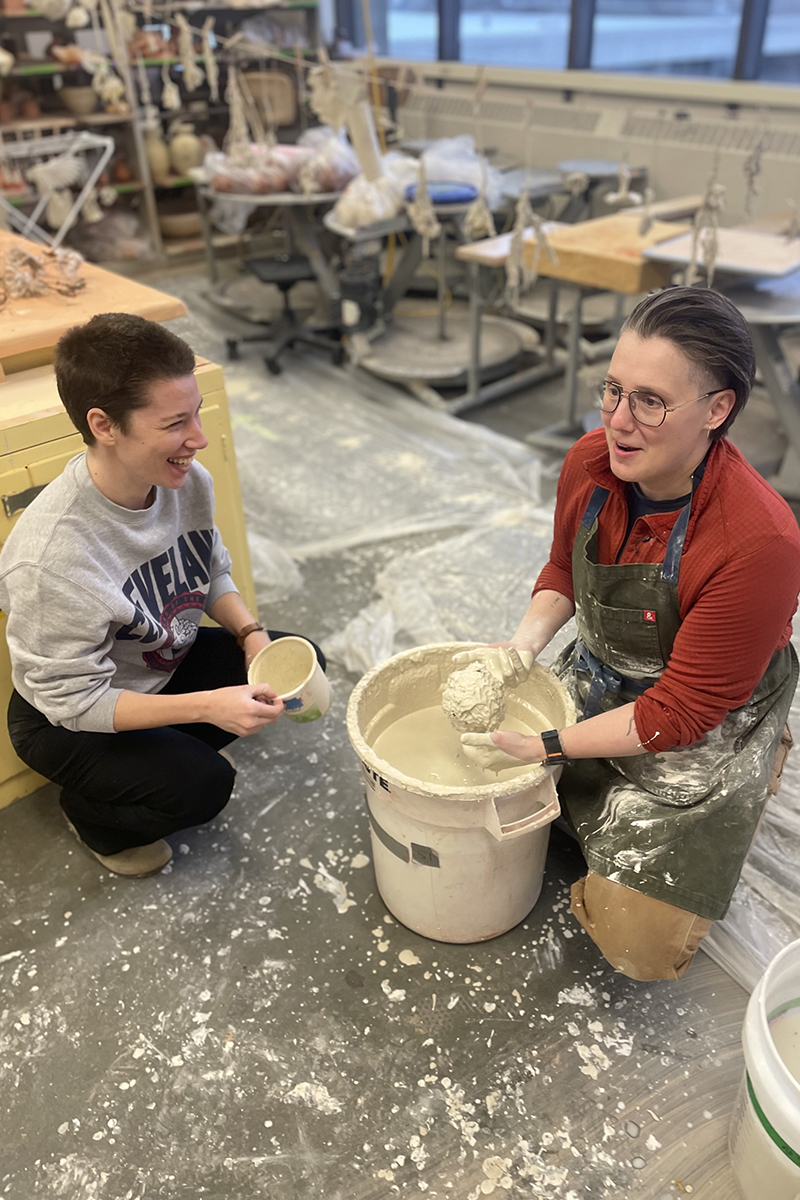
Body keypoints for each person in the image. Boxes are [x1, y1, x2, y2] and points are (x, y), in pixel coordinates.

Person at [460, 287, 800, 982]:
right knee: (484, 791)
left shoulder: (758, 541)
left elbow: (679, 711)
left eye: (649, 401)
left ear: (718, 409)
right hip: (607, 672)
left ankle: (764, 758)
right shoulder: (591, 462)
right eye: (612, 390)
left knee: (636, 940)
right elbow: (562, 568)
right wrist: (522, 650)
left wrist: (546, 745)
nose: (617, 421)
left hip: (704, 716)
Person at [0, 313, 326, 878]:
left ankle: (170, 748)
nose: (198, 438)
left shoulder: (184, 478)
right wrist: (207, 706)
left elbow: (211, 568)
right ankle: (93, 817)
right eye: (176, 422)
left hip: (156, 663)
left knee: (298, 660)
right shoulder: (51, 557)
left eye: (198, 412)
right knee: (203, 787)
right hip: (66, 715)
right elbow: (75, 703)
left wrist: (251, 637)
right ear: (104, 425)